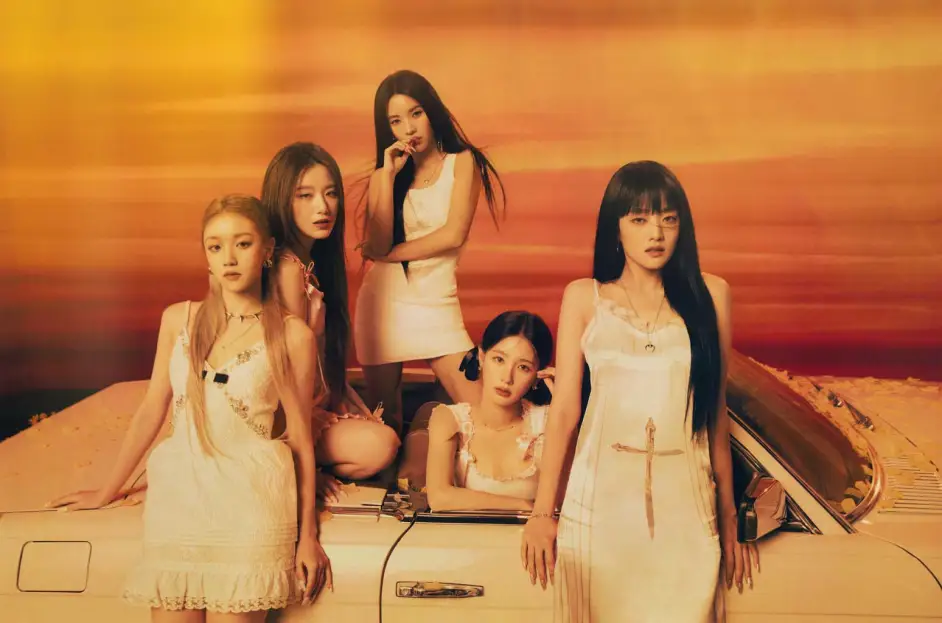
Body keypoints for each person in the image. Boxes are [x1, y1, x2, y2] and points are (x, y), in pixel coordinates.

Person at [49, 195, 331, 621]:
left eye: (242, 243)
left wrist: (307, 536)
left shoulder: (292, 336)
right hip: (179, 501)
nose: (229, 258)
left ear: (267, 249)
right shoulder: (179, 320)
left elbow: (301, 440)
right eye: (215, 246)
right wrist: (107, 490)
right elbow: (152, 409)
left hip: (250, 508)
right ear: (206, 256)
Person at [520, 162, 759, 621]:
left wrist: (730, 516)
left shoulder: (712, 296)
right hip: (600, 515)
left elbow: (714, 412)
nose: (656, 233)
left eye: (669, 219)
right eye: (640, 218)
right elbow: (565, 410)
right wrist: (542, 513)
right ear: (616, 226)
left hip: (685, 516)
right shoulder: (584, 298)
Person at [355, 69, 506, 436]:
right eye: (396, 121)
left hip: (436, 302)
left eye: (416, 113)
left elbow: (453, 235)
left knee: (483, 414)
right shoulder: (386, 175)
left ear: (431, 111)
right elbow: (377, 244)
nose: (408, 128)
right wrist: (386, 177)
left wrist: (392, 255)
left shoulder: (463, 161)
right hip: (383, 302)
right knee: (384, 424)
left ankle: (430, 431)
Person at [261, 142, 400, 495]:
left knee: (396, 436)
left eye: (331, 193)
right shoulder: (288, 270)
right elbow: (283, 372)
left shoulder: (310, 264)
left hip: (316, 402)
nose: (323, 207)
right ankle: (291, 463)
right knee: (382, 445)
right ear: (281, 200)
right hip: (288, 415)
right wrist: (303, 466)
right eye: (305, 195)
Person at [402, 311, 555, 510]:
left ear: (538, 375)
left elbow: (566, 499)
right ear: (482, 357)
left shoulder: (547, 423)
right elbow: (439, 498)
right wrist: (524, 505)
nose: (507, 378)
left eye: (523, 367)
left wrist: (564, 409)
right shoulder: (450, 418)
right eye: (499, 360)